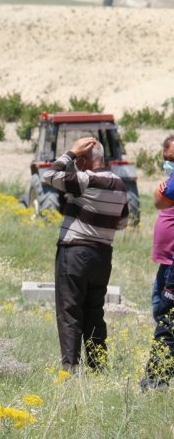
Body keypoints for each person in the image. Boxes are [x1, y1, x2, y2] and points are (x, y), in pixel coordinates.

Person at [42, 136, 129, 371]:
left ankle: (69, 368)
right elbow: (122, 223)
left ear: (85, 159)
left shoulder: (86, 180)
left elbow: (49, 176)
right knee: (94, 312)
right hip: (102, 256)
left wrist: (70, 152)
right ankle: (97, 366)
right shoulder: (120, 184)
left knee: (70, 311)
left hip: (75, 253)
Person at [142, 134, 174, 389]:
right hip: (167, 262)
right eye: (166, 159)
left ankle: (158, 379)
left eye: (172, 159)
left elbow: (158, 200)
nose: (169, 163)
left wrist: (163, 187)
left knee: (168, 320)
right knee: (161, 310)